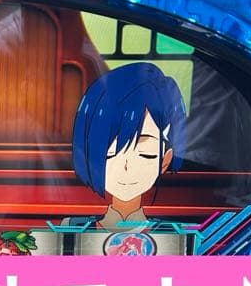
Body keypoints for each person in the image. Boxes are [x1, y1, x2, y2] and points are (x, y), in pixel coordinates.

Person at [68, 62, 186, 227]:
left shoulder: (174, 233)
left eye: (146, 154)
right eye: (109, 154)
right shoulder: (71, 228)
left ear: (165, 160)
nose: (126, 167)